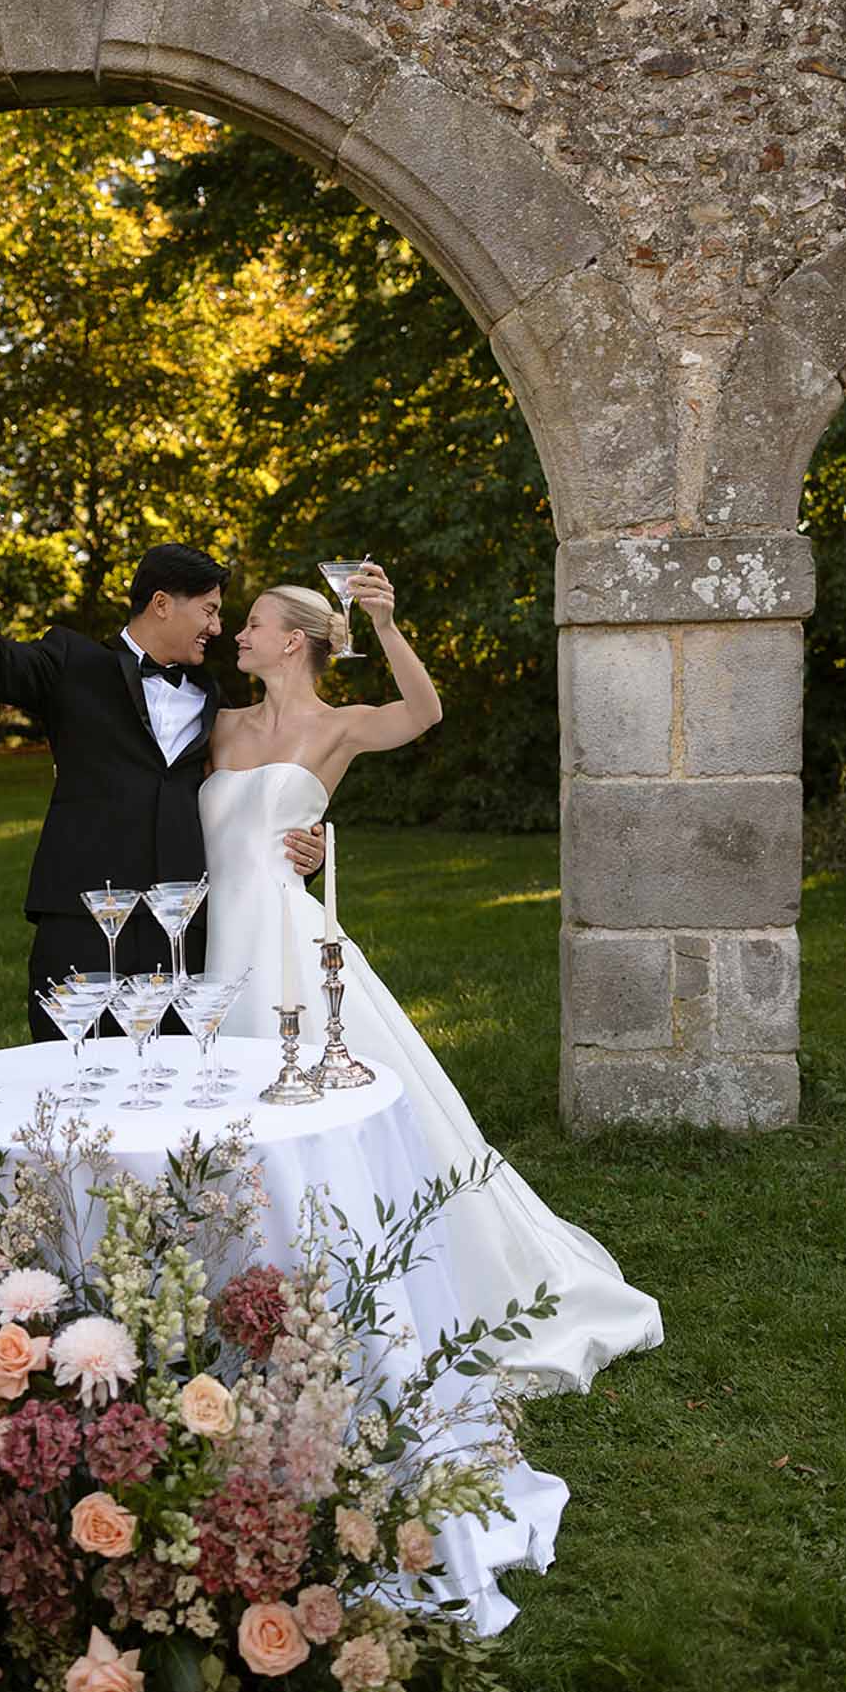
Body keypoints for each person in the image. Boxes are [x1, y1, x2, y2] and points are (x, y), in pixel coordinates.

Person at [202, 563, 663, 1394]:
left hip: (285, 937)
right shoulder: (224, 724)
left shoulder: (339, 726)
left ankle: (350, 1279)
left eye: (253, 624)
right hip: (213, 941)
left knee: (319, 1104)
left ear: (293, 640)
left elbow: (424, 712)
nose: (238, 633)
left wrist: (382, 622)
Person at [0, 535, 325, 1039]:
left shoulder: (211, 694)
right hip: (84, 914)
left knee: (178, 1080)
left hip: (181, 925)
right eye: (209, 611)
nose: (218, 628)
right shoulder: (71, 661)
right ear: (161, 605)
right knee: (74, 1069)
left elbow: (252, 790)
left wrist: (306, 843)